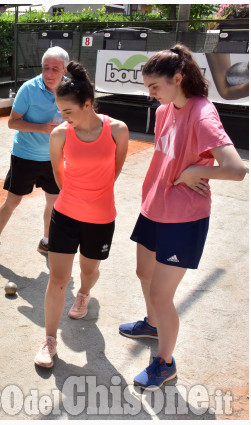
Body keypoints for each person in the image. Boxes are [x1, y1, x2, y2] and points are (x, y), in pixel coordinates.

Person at [118, 44, 246, 391]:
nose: (151, 95)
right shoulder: (164, 112)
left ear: (178, 78)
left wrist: (193, 171)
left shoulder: (202, 113)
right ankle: (152, 324)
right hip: (154, 208)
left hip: (184, 218)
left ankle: (165, 362)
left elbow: (236, 169)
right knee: (143, 272)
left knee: (162, 294)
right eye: (147, 88)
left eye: (155, 87)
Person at [34, 61, 129, 368]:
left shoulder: (117, 131)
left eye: (69, 112)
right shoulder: (60, 135)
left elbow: (114, 171)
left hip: (101, 218)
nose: (63, 118)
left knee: (88, 273)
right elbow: (60, 178)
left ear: (88, 104)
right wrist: (77, 197)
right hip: (65, 215)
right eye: (60, 111)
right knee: (58, 279)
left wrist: (94, 196)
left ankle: (85, 294)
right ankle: (49, 340)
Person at [0, 46, 69, 266]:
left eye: (55, 69)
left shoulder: (69, 91)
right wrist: (41, 128)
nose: (49, 74)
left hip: (54, 157)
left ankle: (47, 241)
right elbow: (13, 122)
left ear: (65, 70)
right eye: (45, 68)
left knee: (54, 201)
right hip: (25, 156)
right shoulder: (28, 89)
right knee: (12, 201)